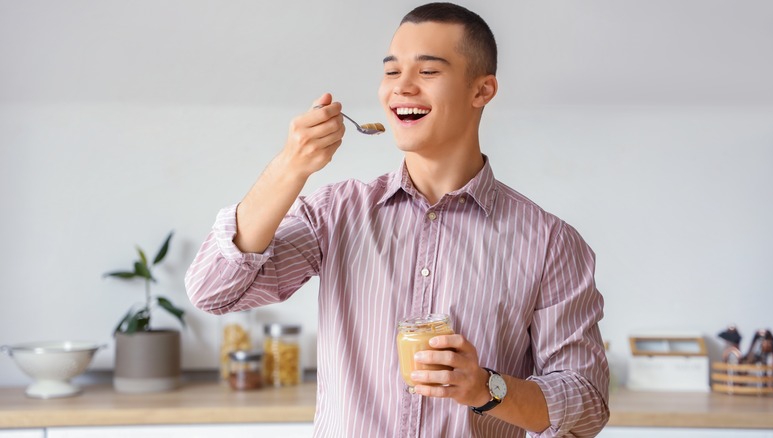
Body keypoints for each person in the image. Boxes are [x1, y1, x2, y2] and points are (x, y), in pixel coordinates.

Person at [186, 2, 609, 437]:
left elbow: (587, 405)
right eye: (391, 72)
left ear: (481, 91)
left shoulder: (550, 242)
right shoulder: (337, 213)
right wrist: (289, 167)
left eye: (428, 72)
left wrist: (485, 388)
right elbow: (213, 292)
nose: (401, 88)